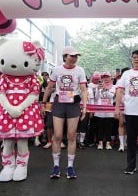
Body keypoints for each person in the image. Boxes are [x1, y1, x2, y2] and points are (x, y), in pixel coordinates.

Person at [41, 45, 88, 179]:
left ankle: (70, 167)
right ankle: (56, 166)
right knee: (57, 135)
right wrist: (43, 103)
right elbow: (49, 87)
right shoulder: (56, 69)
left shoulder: (80, 70)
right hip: (59, 103)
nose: (74, 58)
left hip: (73, 104)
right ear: (65, 56)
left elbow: (84, 89)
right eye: (71, 56)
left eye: (76, 56)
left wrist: (84, 106)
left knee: (72, 135)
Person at [94, 72, 116, 150]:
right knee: (99, 127)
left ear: (111, 78)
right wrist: (97, 89)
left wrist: (105, 89)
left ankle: (108, 143)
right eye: (104, 77)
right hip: (100, 110)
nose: (106, 79)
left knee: (108, 127)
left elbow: (111, 96)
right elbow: (96, 97)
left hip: (109, 111)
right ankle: (100, 142)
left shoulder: (113, 87)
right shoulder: (99, 86)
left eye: (107, 77)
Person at [116, 67, 130, 152]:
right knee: (121, 124)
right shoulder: (119, 81)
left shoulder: (131, 81)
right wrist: (123, 102)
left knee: (128, 125)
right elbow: (118, 94)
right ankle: (121, 145)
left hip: (131, 107)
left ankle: (125, 143)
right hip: (122, 105)